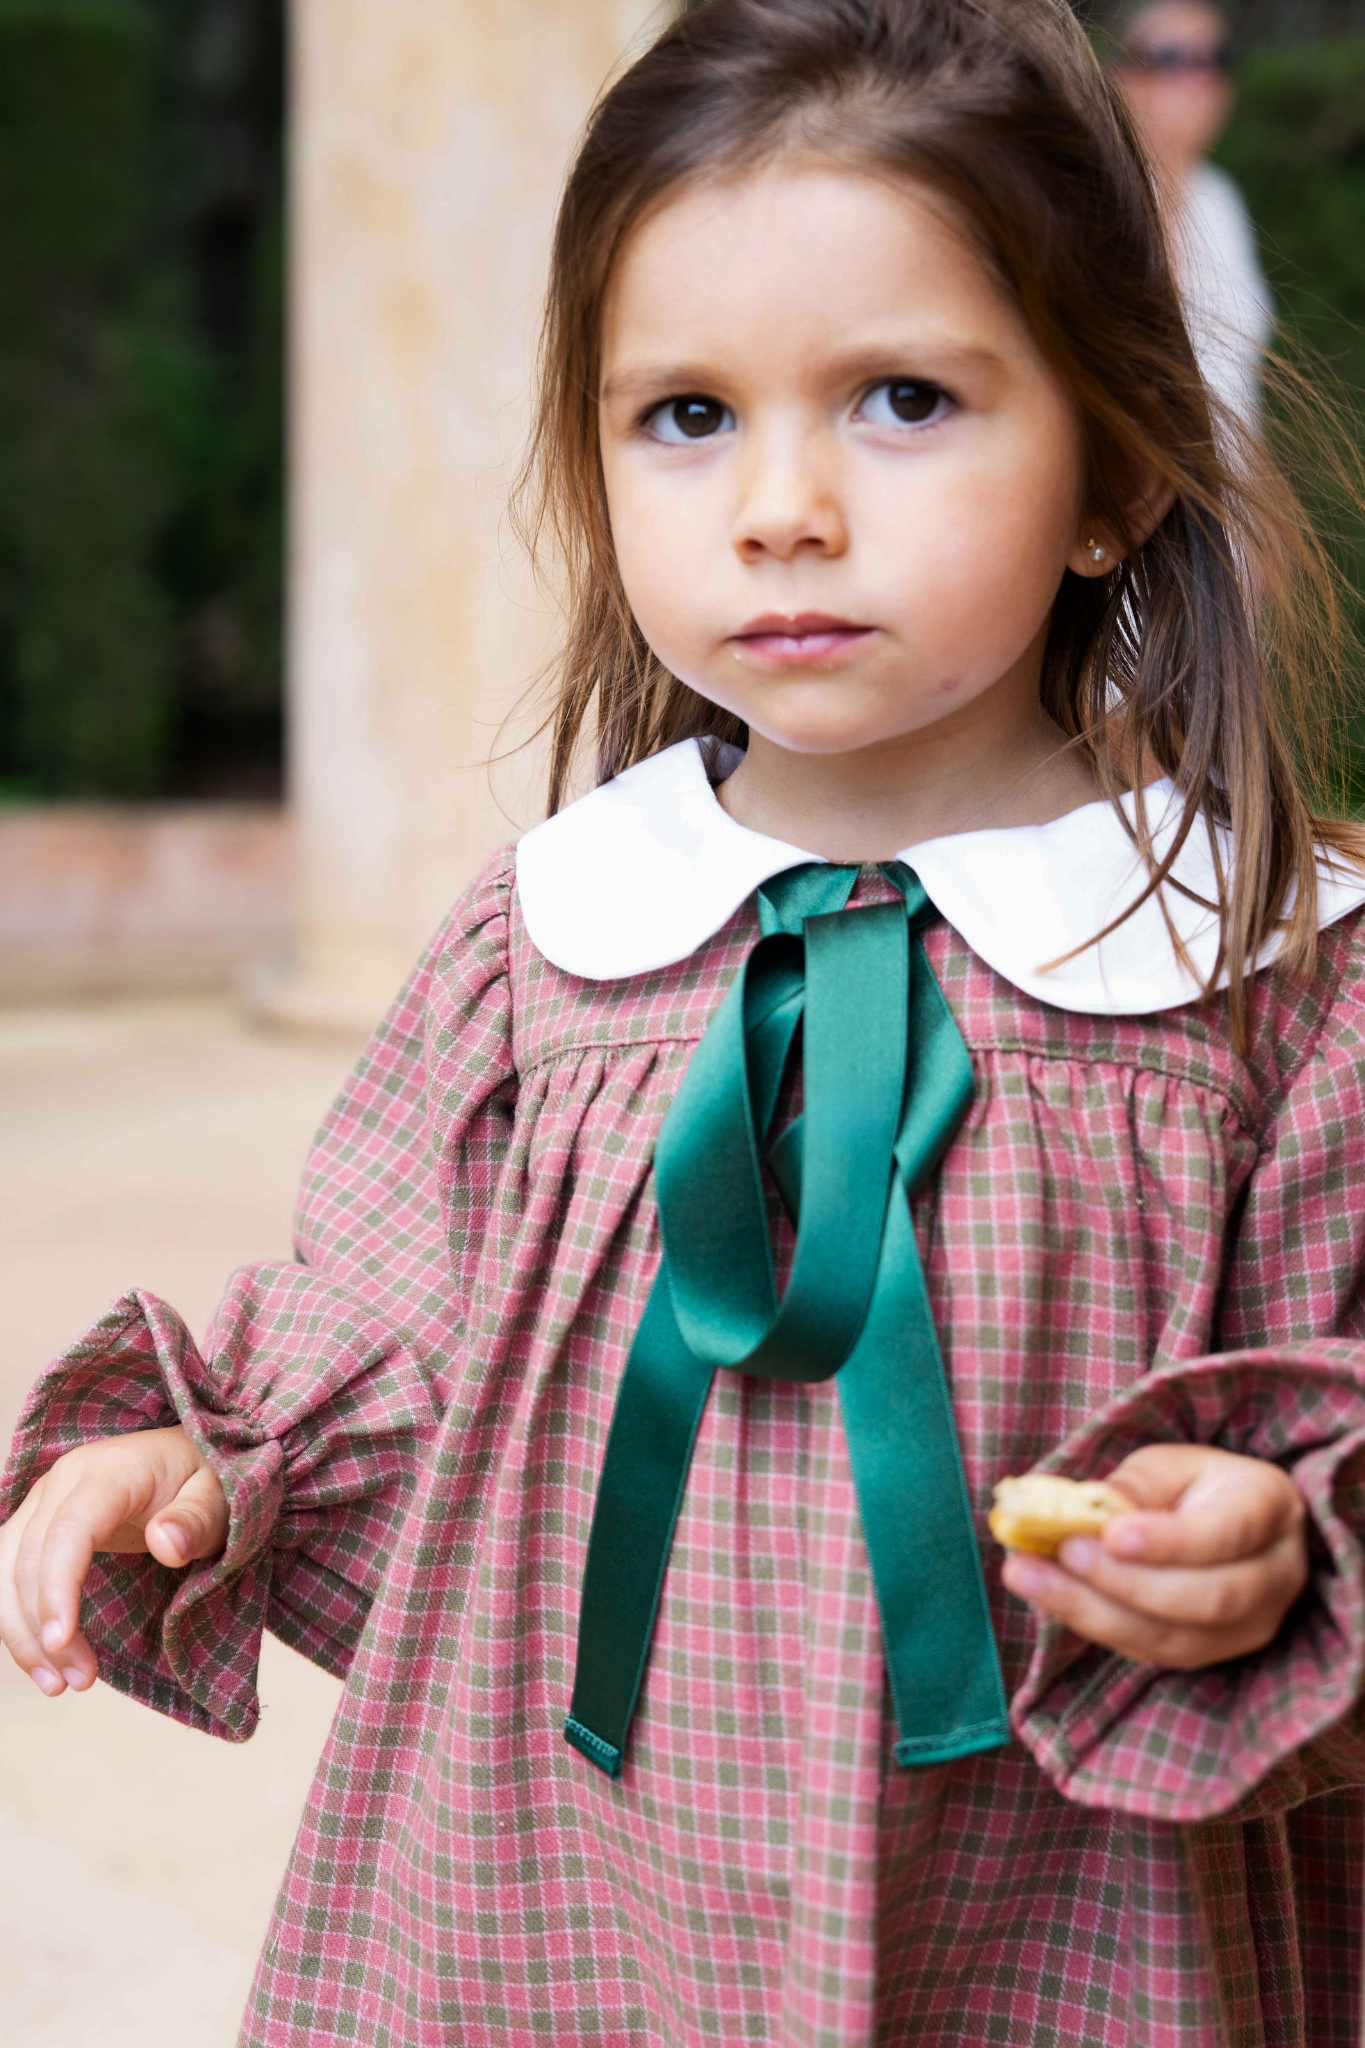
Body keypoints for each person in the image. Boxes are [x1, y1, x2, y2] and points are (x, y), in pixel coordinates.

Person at [3, 1, 1365, 2041]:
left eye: (903, 398)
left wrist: (1279, 1541)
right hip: (549, 1879)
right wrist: (202, 1467)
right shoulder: (545, 949)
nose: (783, 506)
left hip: (1060, 1908)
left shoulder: (1262, 980)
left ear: (1114, 464)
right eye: (687, 415)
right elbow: (381, 1334)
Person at [1113, 0, 1273, 424]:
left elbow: (1240, 387)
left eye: (1217, 59)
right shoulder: (1092, 193)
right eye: (1173, 58)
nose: (1201, 79)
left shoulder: (1218, 194)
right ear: (1122, 78)